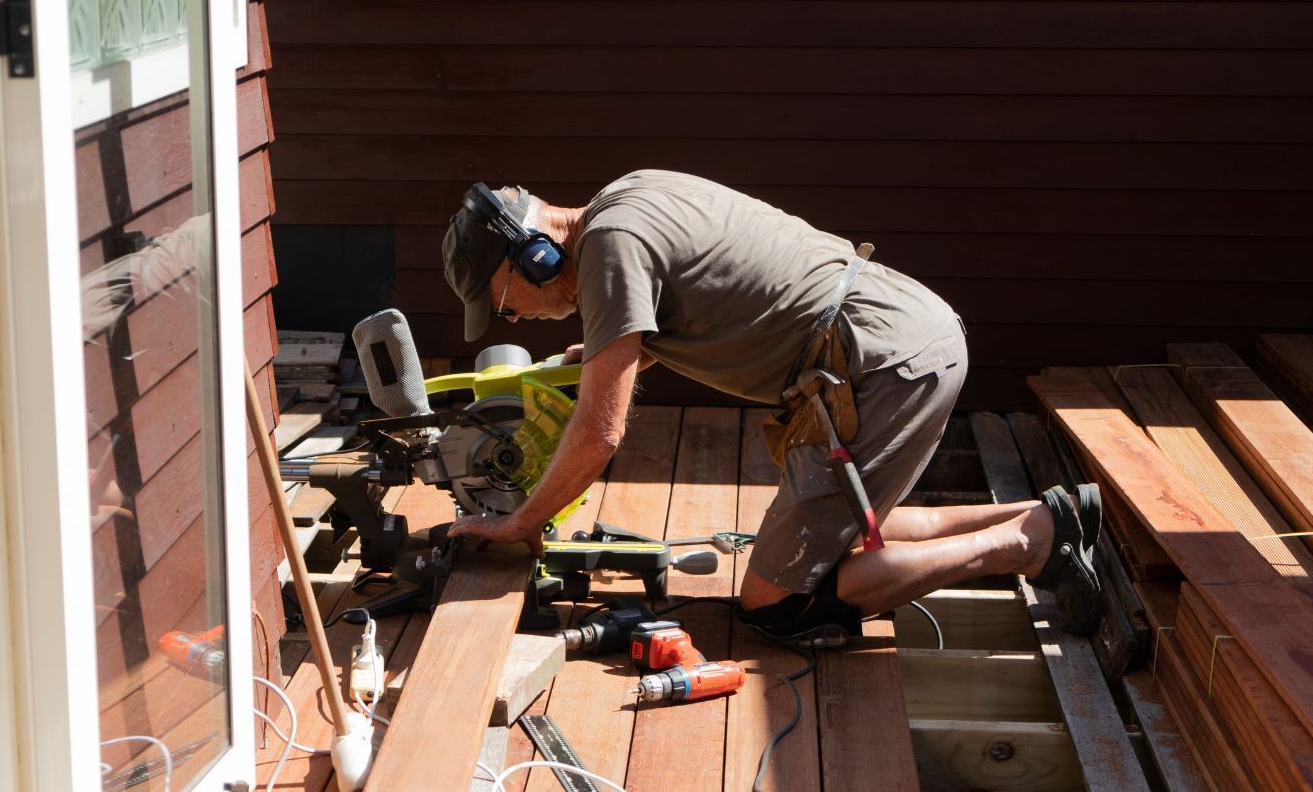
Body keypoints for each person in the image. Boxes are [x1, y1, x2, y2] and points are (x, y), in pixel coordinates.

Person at [440, 171, 1103, 645]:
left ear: (532, 254)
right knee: (836, 542)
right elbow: (702, 302)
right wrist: (601, 357)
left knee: (777, 603)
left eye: (505, 303)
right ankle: (1041, 515)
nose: (518, 318)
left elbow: (598, 435)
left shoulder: (610, 253)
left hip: (878, 366)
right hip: (896, 335)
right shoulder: (627, 198)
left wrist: (521, 520)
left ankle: (1023, 544)